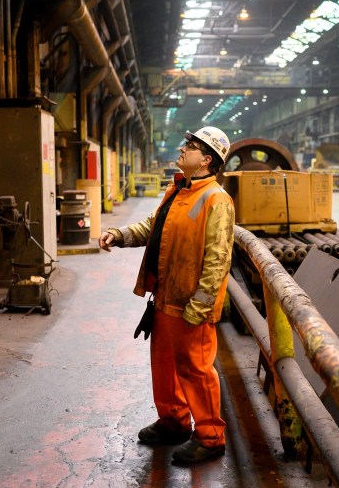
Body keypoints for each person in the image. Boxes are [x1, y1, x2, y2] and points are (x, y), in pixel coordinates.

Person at [98, 126, 235, 465]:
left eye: (190, 146)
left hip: (191, 303)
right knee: (164, 365)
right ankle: (174, 422)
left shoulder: (216, 200)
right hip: (165, 296)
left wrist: (200, 305)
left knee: (196, 369)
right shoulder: (177, 191)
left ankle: (210, 437)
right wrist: (119, 234)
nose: (182, 149)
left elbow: (217, 258)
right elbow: (152, 227)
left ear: (206, 159)